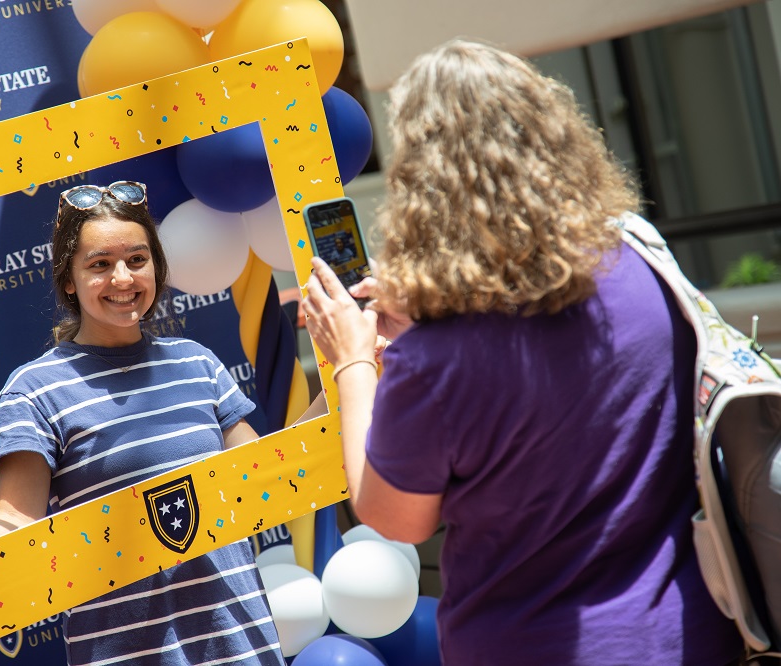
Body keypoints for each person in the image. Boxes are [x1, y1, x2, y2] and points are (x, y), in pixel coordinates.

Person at [302, 40, 744, 665]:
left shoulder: (436, 360)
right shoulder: (642, 264)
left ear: (425, 183)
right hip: (691, 634)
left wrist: (351, 360)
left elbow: (392, 519)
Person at [0, 181, 293, 666]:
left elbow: (266, 476)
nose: (123, 278)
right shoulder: (33, 389)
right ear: (68, 280)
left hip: (242, 646)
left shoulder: (197, 363)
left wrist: (354, 371)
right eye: (99, 264)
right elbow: (17, 522)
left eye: (137, 259)